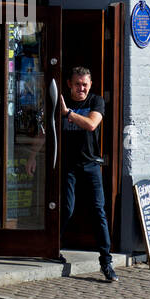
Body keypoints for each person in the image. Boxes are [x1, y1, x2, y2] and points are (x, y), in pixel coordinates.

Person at [60, 66, 116, 283]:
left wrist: (68, 114)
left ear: (90, 85)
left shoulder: (96, 101)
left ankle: (106, 262)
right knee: (66, 207)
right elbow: (48, 131)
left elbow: (92, 124)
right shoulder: (62, 101)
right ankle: (53, 248)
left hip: (91, 164)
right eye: (77, 84)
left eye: (84, 84)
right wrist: (32, 156)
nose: (81, 88)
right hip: (68, 165)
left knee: (98, 211)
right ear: (69, 84)